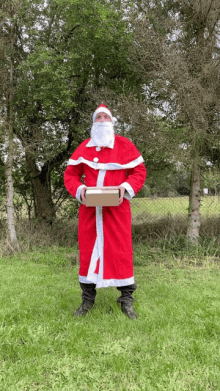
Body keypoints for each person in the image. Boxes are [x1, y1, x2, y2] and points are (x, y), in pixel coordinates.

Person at [64, 104, 147, 319]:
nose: (102, 120)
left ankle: (127, 301)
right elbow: (70, 175)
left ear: (111, 122)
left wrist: (125, 188)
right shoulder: (84, 147)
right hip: (90, 212)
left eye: (105, 117)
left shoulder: (125, 145)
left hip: (117, 211)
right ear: (94, 122)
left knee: (121, 252)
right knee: (89, 253)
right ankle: (87, 301)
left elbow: (139, 171)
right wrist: (80, 190)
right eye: (98, 117)